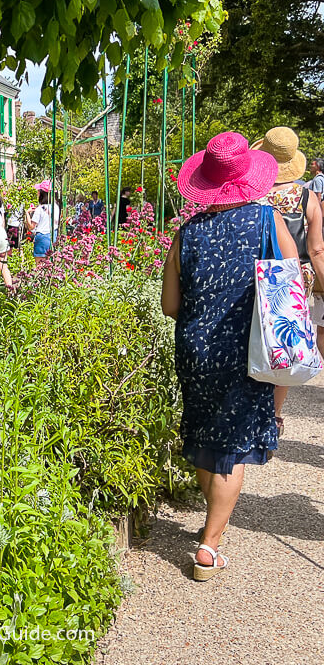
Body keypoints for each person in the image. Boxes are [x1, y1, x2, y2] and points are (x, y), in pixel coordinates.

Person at [161, 131, 297, 582]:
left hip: (196, 350)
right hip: (246, 349)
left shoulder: (187, 232)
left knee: (206, 434)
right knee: (232, 447)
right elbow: (289, 277)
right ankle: (209, 545)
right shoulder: (265, 221)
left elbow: (170, 306)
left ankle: (210, 521)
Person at [252, 127, 324, 437]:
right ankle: (276, 414)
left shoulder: (254, 193)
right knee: (284, 343)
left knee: (255, 338)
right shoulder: (307, 197)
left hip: (258, 274)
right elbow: (317, 249)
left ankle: (253, 408)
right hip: (294, 279)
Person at [25, 180, 58, 262]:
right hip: (53, 236)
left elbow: (31, 227)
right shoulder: (56, 207)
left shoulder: (39, 209)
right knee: (50, 265)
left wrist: (27, 213)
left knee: (40, 267)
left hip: (42, 238)